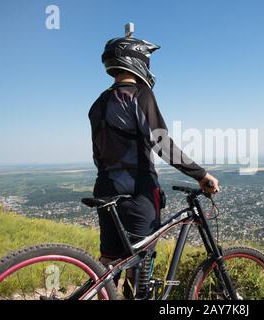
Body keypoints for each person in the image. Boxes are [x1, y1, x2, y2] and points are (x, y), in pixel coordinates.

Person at [88, 29, 219, 298]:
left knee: (111, 265)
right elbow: (161, 143)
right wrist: (201, 174)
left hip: (104, 188)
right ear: (137, 61)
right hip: (137, 191)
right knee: (141, 267)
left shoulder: (98, 104)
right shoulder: (140, 95)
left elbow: (97, 154)